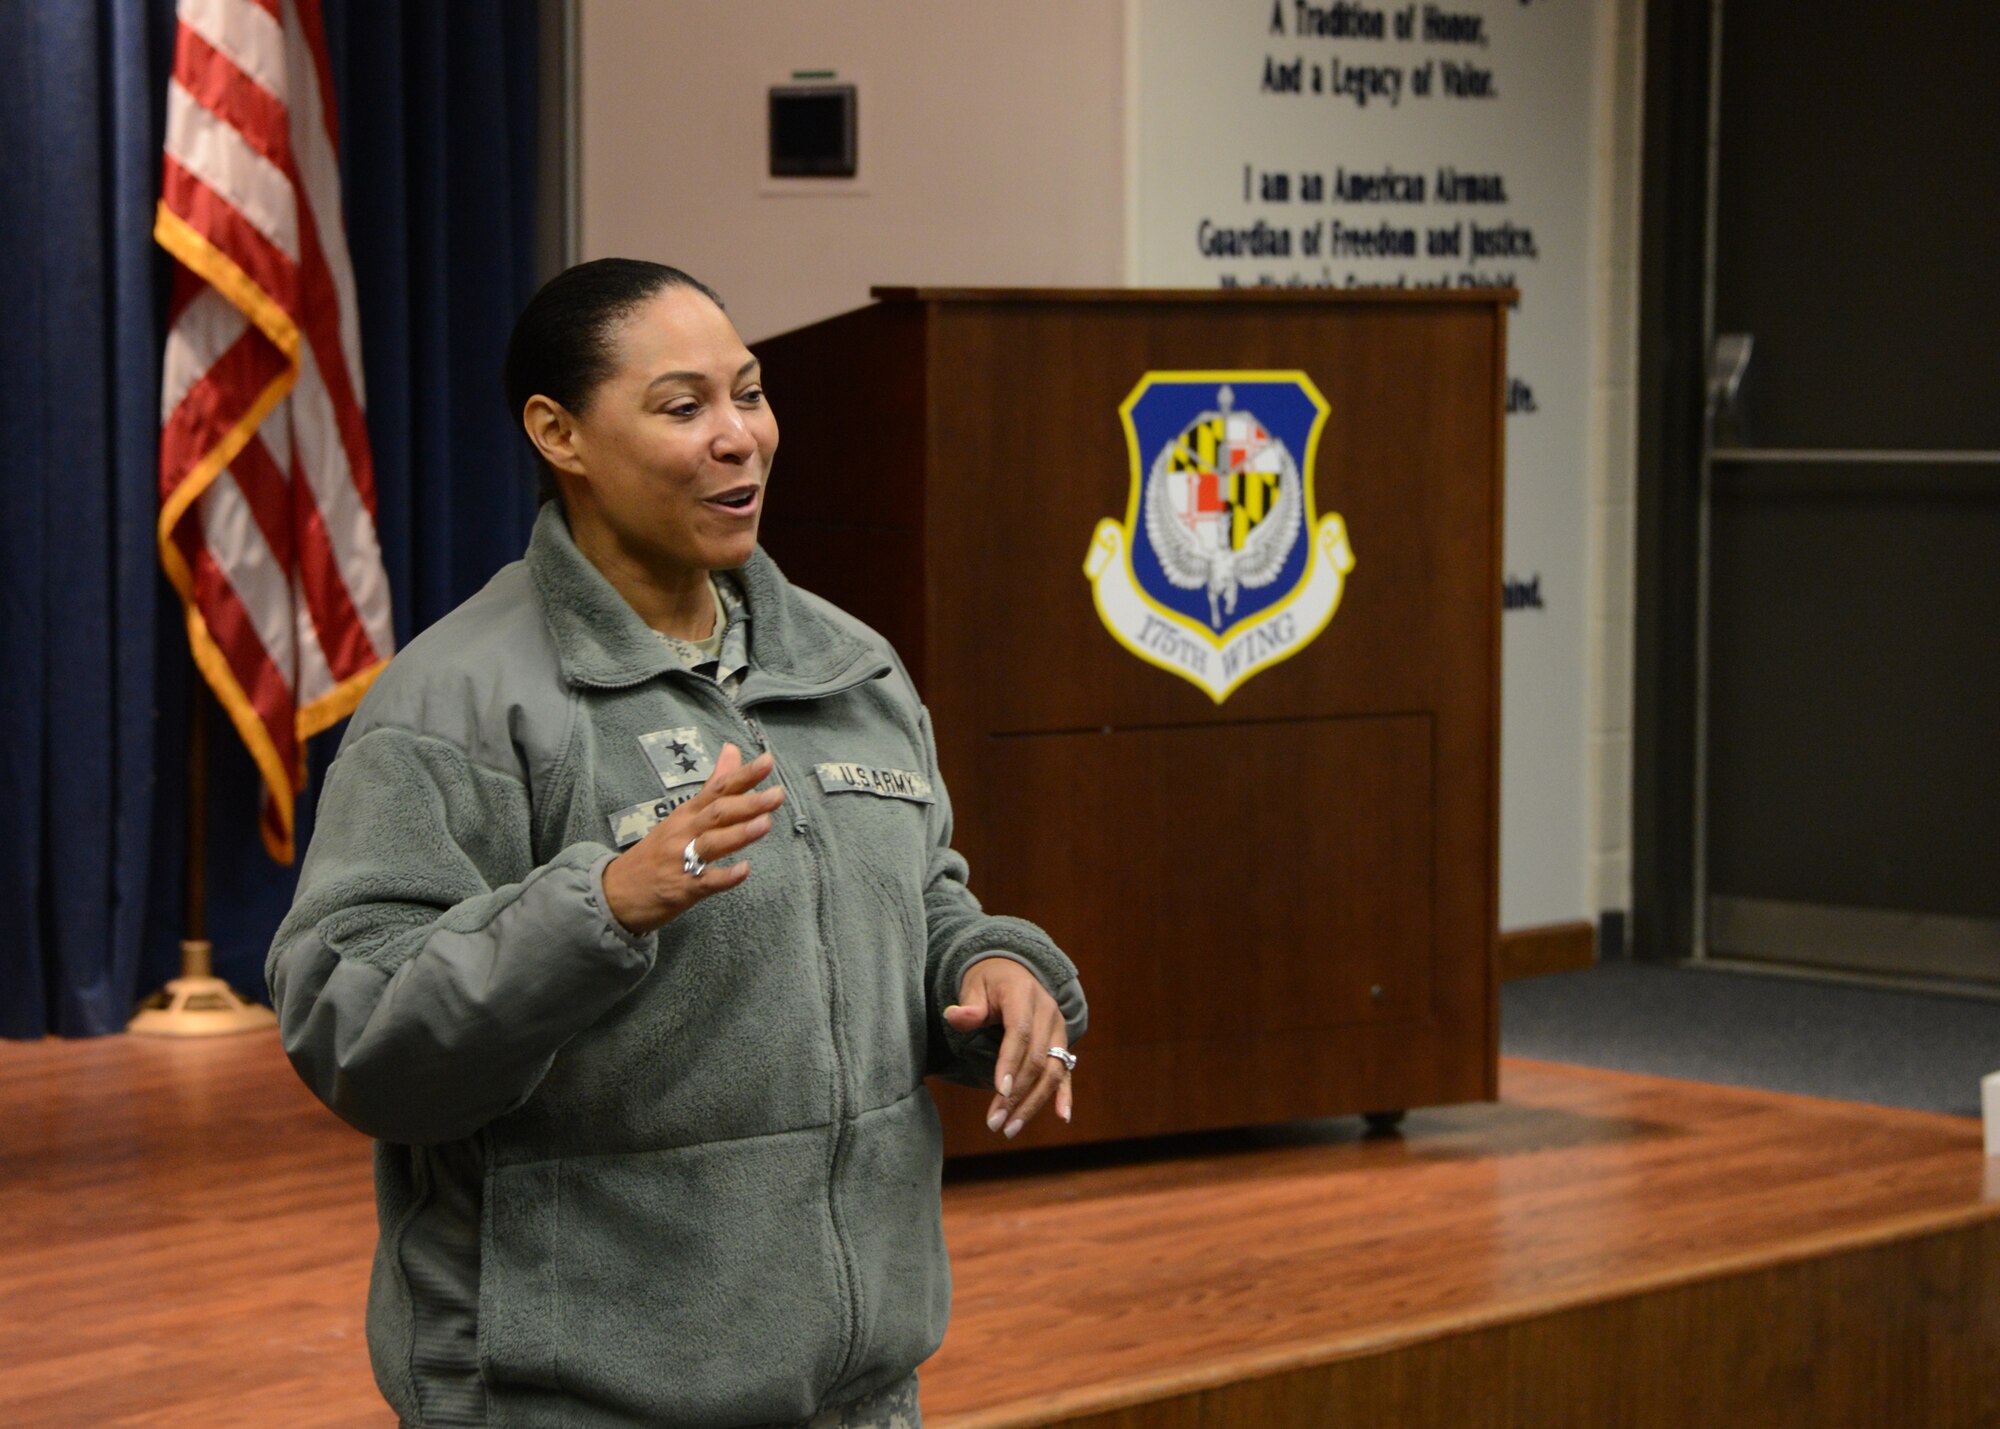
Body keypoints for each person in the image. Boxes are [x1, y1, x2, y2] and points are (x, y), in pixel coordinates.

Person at [266, 258, 1088, 1429]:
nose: (738, 438)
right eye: (682, 406)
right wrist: (596, 907)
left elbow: (922, 894)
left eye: (748, 393)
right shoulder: (455, 702)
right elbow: (350, 1028)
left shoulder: (847, 666)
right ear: (558, 433)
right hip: (579, 1398)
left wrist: (985, 967)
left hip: (857, 1394)